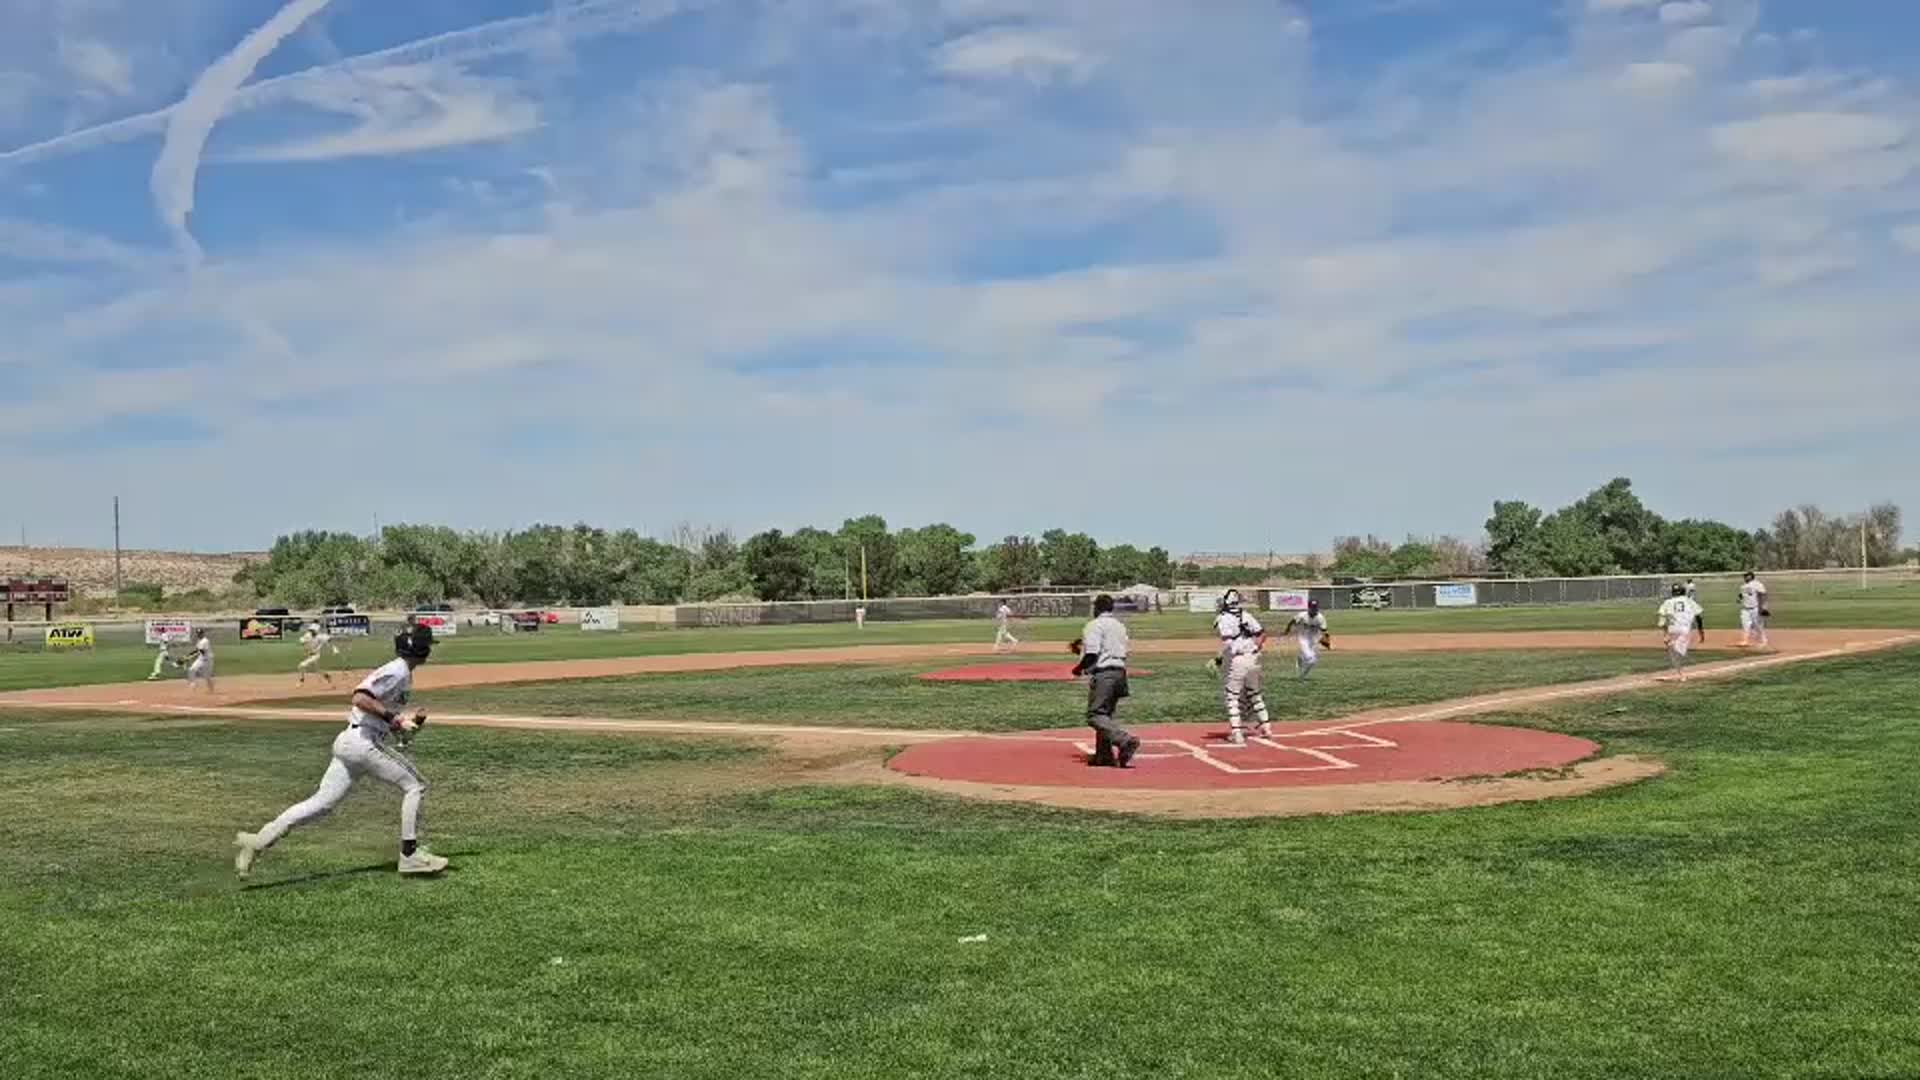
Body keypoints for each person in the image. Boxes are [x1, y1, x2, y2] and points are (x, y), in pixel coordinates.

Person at [234, 624, 447, 879]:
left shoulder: (401, 672)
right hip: (362, 742)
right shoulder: (398, 671)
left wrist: (407, 724)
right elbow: (360, 697)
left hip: (352, 741)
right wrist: (393, 718)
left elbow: (385, 719)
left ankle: (259, 840)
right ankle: (410, 856)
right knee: (416, 786)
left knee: (321, 803)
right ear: (421, 649)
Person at [1071, 594, 1141, 768]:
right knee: (1105, 715)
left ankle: (1124, 740)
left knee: (1095, 716)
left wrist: (1079, 668)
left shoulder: (1094, 625)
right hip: (1120, 672)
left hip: (1105, 674)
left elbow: (1092, 654)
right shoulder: (1119, 625)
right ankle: (1104, 756)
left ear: (1097, 608)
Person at [1210, 589, 1272, 746]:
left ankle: (1237, 733)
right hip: (1254, 658)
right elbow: (1262, 634)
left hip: (1238, 660)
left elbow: (1228, 644)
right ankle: (1266, 727)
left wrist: (1218, 659)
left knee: (1232, 697)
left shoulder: (1223, 619)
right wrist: (1255, 648)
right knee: (1254, 693)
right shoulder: (1246, 615)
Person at [1657, 584, 1705, 681]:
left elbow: (1662, 619)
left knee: (1673, 652)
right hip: (1685, 629)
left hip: (1672, 629)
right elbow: (1698, 617)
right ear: (1683, 591)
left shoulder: (1667, 602)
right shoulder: (1689, 601)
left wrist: (1665, 634)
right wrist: (1701, 632)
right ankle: (1682, 673)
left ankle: (1681, 674)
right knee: (1678, 651)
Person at [1283, 599, 1332, 680]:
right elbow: (1292, 621)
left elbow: (1324, 631)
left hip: (1314, 640)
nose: (1314, 609)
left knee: (1312, 659)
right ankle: (1302, 676)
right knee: (1312, 660)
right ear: (1308, 607)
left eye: (1315, 607)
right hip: (1303, 639)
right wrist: (1287, 630)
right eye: (1312, 607)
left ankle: (1300, 657)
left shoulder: (1320, 618)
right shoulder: (1302, 615)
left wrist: (1327, 643)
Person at [1738, 571, 1770, 648]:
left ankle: (1763, 641)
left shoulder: (1757, 584)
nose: (1745, 577)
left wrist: (1764, 607)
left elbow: (1763, 594)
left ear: (1751, 577)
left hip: (1755, 608)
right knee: (1745, 625)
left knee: (1757, 625)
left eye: (1747, 576)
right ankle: (1745, 641)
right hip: (1745, 609)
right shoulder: (1743, 586)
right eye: (1745, 576)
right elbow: (1742, 595)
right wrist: (1739, 599)